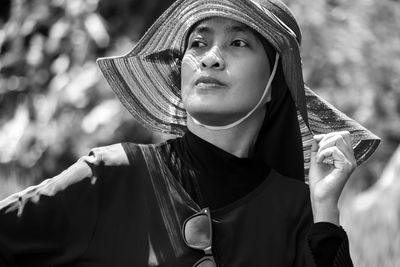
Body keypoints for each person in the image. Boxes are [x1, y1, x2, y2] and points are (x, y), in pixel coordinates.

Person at [0, 0, 380, 266]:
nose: (210, 57)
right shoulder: (112, 175)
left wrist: (326, 212)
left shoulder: (296, 211)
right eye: (198, 43)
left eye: (238, 42)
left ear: (274, 85)